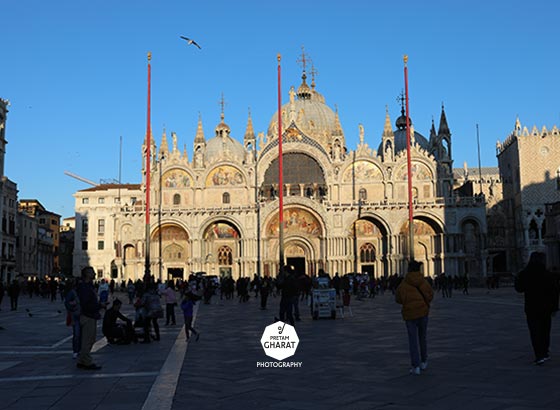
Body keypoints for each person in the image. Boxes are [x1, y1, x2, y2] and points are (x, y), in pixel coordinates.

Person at [514, 252, 560, 365]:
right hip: (546, 308)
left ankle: (539, 355)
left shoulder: (525, 273)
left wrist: (517, 277)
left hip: (531, 307)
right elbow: (555, 292)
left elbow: (519, 288)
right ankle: (545, 351)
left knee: (534, 331)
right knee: (545, 330)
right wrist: (554, 308)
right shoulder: (548, 274)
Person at [396, 260, 434, 375]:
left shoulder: (404, 283)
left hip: (410, 314)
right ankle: (424, 361)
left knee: (412, 340)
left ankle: (415, 366)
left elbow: (398, 299)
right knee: (422, 338)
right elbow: (430, 295)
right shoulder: (424, 282)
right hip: (423, 313)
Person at [76, 266, 103, 370]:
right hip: (88, 315)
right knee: (88, 339)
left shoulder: (88, 286)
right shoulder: (85, 287)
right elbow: (86, 303)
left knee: (88, 339)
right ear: (87, 274)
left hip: (89, 314)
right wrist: (99, 306)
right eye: (92, 272)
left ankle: (82, 360)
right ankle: (86, 361)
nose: (94, 274)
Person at [64, 278, 81, 359]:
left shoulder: (83, 292)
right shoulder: (72, 292)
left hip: (83, 315)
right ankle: (76, 351)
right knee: (77, 334)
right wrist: (72, 308)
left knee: (82, 334)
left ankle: (80, 350)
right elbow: (67, 303)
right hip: (76, 315)